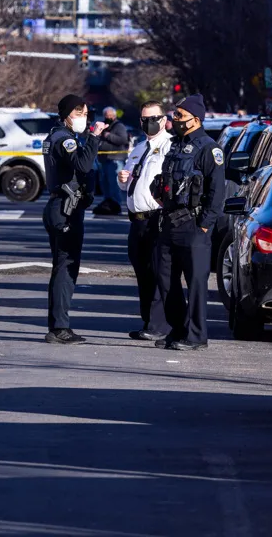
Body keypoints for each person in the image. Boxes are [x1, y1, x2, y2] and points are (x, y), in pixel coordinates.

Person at [150, 94, 226, 351]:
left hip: (194, 227)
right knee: (165, 281)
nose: (175, 119)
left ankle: (196, 336)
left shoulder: (208, 149)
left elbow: (216, 194)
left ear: (195, 120)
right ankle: (178, 331)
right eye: (175, 114)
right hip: (169, 223)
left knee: (195, 285)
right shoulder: (175, 145)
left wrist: (204, 225)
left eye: (180, 115)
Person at [41, 94, 108, 344]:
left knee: (62, 267)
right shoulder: (64, 139)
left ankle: (58, 324)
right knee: (66, 269)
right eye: (80, 114)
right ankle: (59, 328)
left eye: (87, 114)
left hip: (61, 206)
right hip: (65, 209)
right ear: (68, 114)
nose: (84, 118)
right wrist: (94, 138)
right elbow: (82, 164)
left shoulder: (57, 136)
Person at [117, 100, 171, 340]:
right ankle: (148, 321)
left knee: (159, 271)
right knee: (142, 272)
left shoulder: (170, 147)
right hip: (136, 220)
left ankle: (161, 325)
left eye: (153, 119)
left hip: (157, 218)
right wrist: (122, 178)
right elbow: (127, 183)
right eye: (144, 119)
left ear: (163, 120)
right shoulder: (139, 148)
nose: (148, 123)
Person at [94, 107, 129, 215]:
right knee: (105, 184)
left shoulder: (119, 126)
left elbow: (123, 140)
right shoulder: (104, 126)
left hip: (115, 160)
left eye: (109, 115)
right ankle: (108, 203)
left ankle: (116, 204)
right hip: (104, 159)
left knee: (114, 184)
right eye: (105, 115)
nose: (107, 117)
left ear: (114, 116)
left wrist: (108, 136)